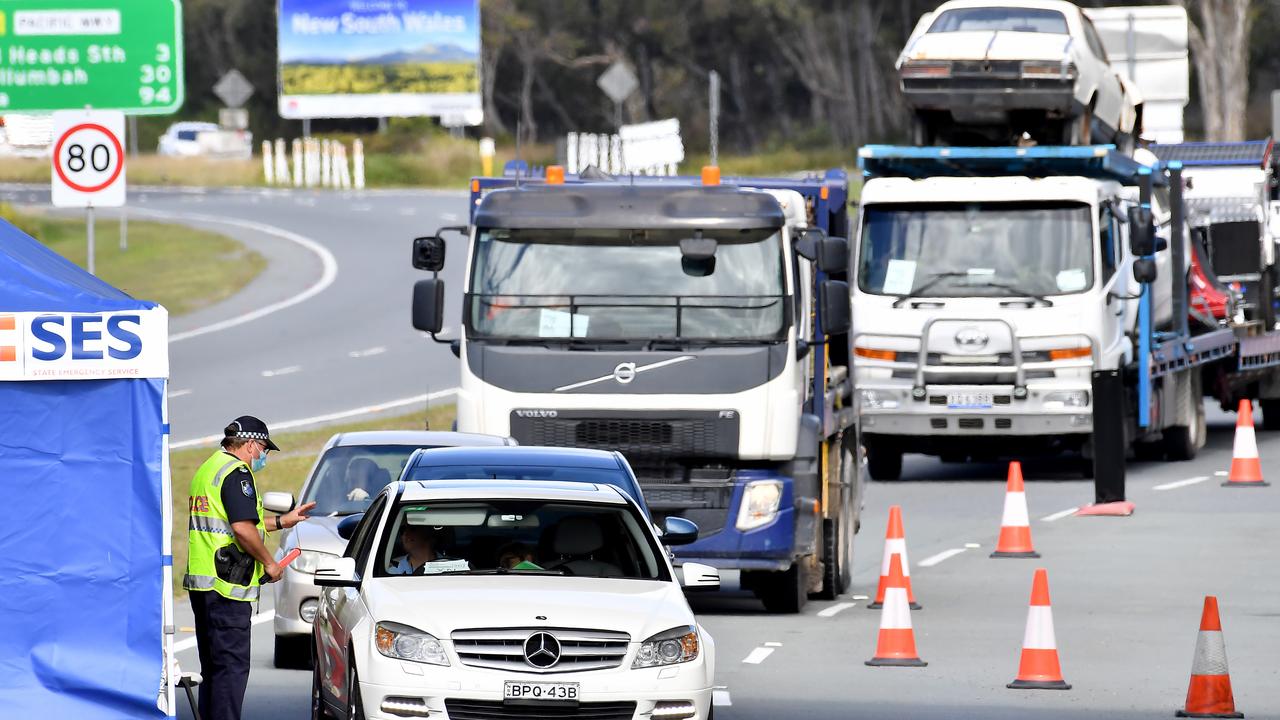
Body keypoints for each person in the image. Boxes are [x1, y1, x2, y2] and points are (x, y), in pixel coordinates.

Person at [184, 416, 315, 720]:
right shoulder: (237, 473)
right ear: (253, 445)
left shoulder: (209, 468)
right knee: (231, 670)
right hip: (227, 586)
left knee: (214, 670)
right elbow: (242, 529)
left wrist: (282, 521)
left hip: (204, 585)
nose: (264, 457)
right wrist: (270, 563)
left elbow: (234, 522)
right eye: (265, 450)